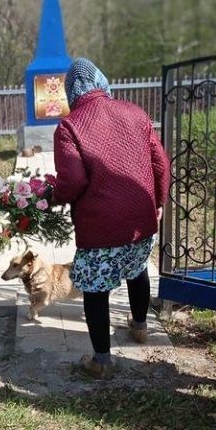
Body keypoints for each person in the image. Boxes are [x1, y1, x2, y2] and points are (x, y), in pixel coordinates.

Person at [53, 58, 170, 379]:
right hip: (140, 221)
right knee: (137, 270)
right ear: (100, 81)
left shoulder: (70, 126)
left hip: (100, 228)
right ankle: (141, 326)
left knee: (95, 290)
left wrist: (55, 195)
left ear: (70, 92)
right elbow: (161, 164)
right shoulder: (135, 113)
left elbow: (72, 181)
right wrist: (157, 203)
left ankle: (101, 361)